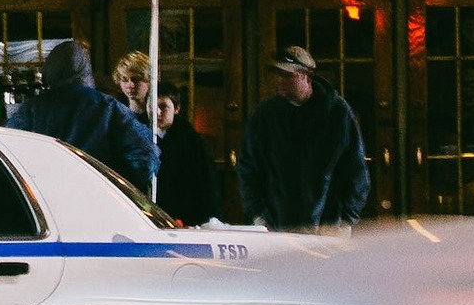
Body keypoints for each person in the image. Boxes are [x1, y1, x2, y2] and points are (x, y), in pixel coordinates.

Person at [237, 45, 371, 234]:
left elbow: (355, 170)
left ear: (305, 76)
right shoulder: (264, 116)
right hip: (277, 227)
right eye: (277, 75)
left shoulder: (338, 113)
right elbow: (248, 170)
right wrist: (258, 216)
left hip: (327, 225)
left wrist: (347, 219)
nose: (280, 81)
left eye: (287, 76)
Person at [6, 40, 159, 193]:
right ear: (85, 68)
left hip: (48, 196)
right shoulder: (108, 107)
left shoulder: (32, 109)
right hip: (98, 197)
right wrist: (118, 188)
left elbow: (7, 146)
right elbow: (146, 155)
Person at [152, 81, 219, 226]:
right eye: (152, 106)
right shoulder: (142, 135)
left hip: (184, 217)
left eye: (163, 107)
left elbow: (204, 185)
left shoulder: (191, 141)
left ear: (176, 109)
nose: (157, 112)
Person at [114, 50, 153, 117]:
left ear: (148, 80)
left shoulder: (158, 115)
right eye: (124, 80)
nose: (130, 85)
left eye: (136, 79)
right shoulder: (116, 114)